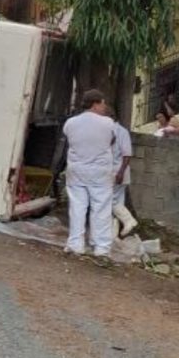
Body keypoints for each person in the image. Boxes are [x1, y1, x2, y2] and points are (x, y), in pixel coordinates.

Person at [61, 89, 122, 259]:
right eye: (103, 103)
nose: (104, 107)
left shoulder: (70, 123)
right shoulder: (108, 123)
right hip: (100, 171)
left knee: (77, 207)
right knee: (101, 209)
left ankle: (75, 244)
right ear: (96, 103)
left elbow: (69, 139)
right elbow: (112, 140)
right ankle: (101, 247)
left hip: (77, 170)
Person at [111, 117, 137, 237]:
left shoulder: (113, 130)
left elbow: (127, 154)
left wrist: (120, 172)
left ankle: (128, 220)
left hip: (115, 172)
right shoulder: (123, 131)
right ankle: (113, 234)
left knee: (107, 201)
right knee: (118, 202)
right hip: (121, 171)